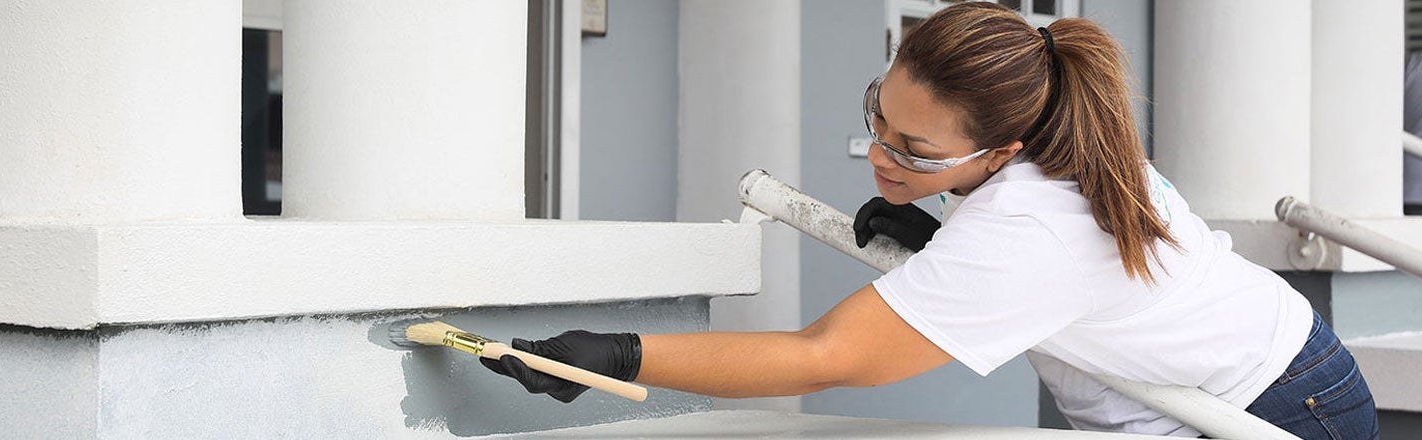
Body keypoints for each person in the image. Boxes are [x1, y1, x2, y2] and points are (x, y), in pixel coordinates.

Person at [482, 3, 1379, 438]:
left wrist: (616, 356)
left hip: (1274, 410)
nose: (880, 155)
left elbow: (824, 359)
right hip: (1275, 363)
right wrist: (943, 223)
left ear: (1002, 148)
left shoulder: (1031, 227)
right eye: (879, 116)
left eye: (914, 151)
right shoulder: (1066, 145)